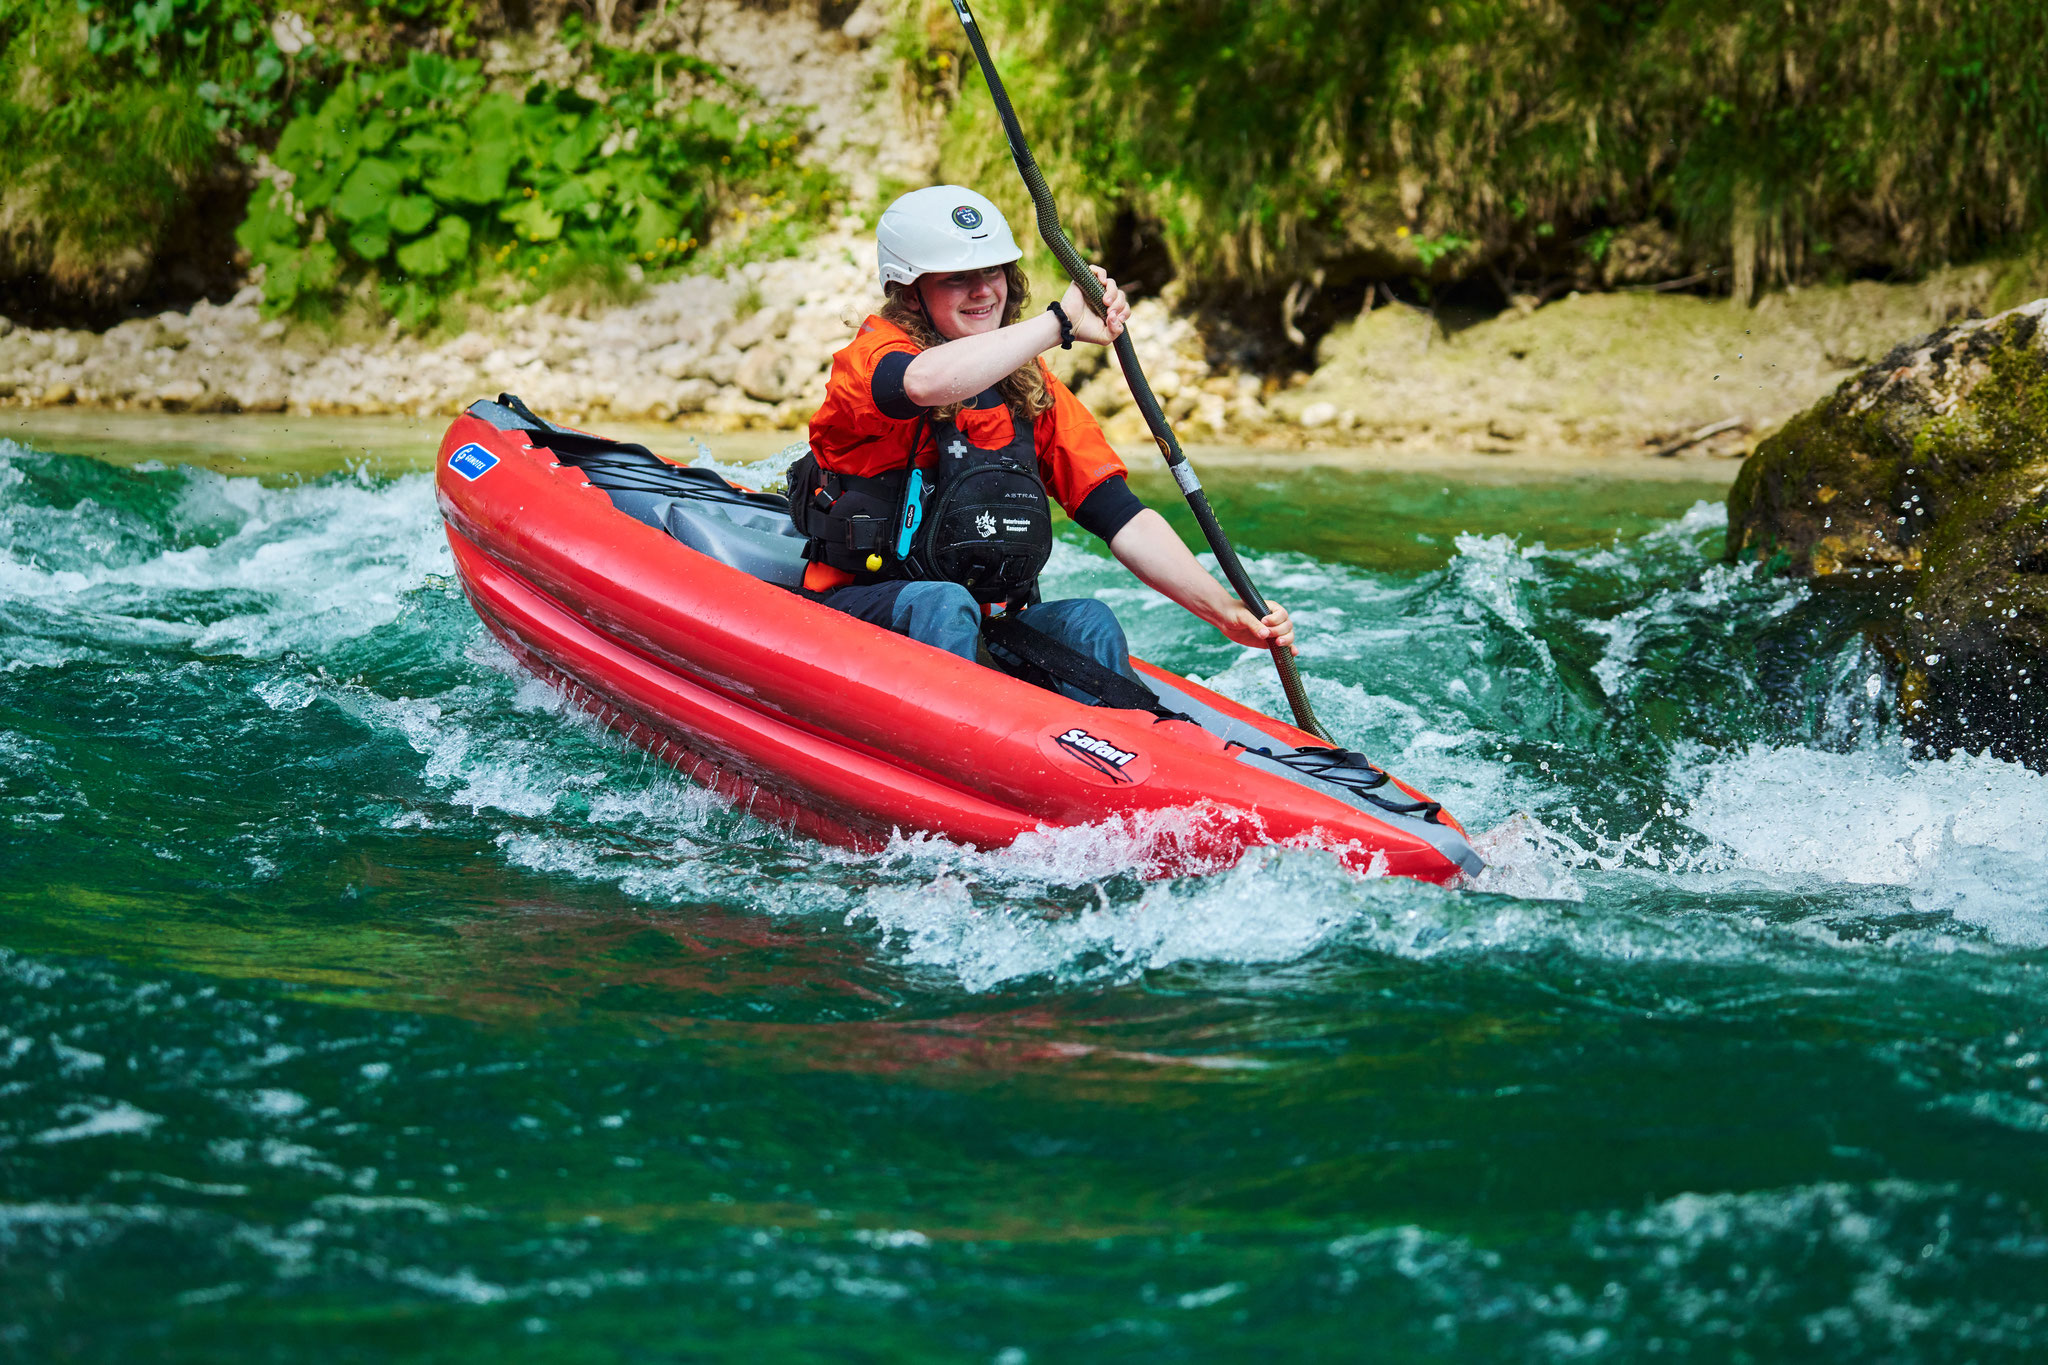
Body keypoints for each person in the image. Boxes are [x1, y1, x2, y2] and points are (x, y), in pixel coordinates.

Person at [797, 184, 1293, 694]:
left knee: (1088, 619)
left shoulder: (1030, 387)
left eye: (992, 272)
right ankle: (953, 744)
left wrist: (1223, 612)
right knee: (943, 605)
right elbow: (923, 382)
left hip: (988, 622)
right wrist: (1061, 323)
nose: (983, 291)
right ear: (909, 293)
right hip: (863, 609)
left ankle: (1115, 748)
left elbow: (1121, 516)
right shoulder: (872, 361)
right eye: (957, 278)